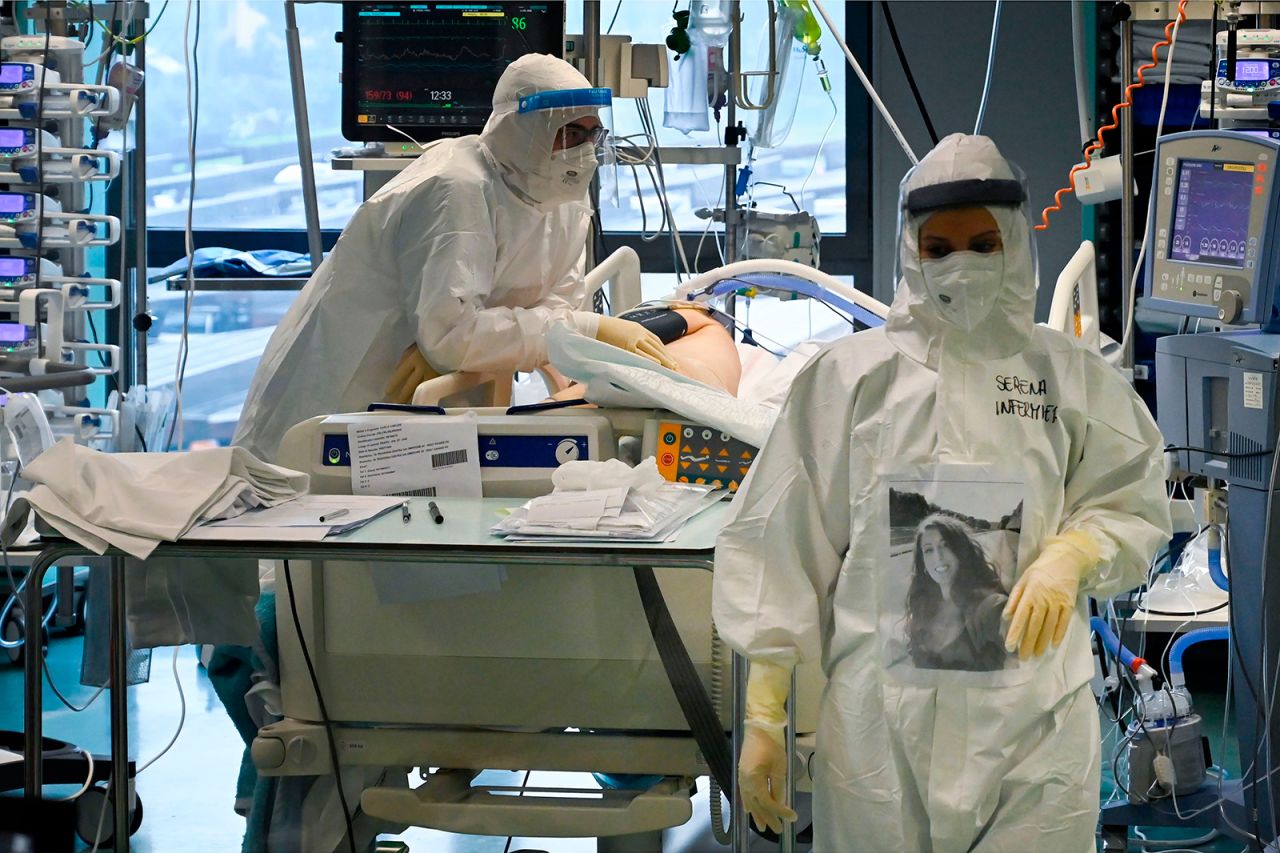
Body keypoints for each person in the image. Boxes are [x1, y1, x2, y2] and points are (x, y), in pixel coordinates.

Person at [711, 133, 1171, 849]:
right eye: (940, 247)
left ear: (1015, 243)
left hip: (1033, 728)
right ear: (910, 251)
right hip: (878, 737)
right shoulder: (851, 380)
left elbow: (1132, 493)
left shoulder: (1070, 378)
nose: (962, 263)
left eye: (984, 243)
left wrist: (1074, 552)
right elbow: (782, 538)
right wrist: (766, 710)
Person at [234, 54, 674, 462]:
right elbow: (455, 337)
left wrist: (489, 342)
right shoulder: (456, 188)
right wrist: (580, 329)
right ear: (524, 128)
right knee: (300, 511)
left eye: (591, 133)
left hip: (429, 400)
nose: (581, 149)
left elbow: (556, 305)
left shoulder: (562, 195)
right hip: (344, 388)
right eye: (569, 132)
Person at [905, 514, 1008, 672]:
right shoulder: (921, 614)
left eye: (945, 545)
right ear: (923, 562)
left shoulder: (992, 607)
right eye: (928, 550)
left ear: (961, 551)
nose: (938, 557)